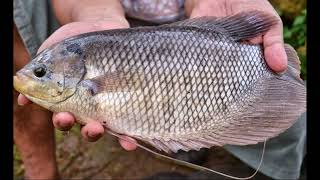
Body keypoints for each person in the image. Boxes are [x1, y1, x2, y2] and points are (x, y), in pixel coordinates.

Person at [13, 0, 306, 179]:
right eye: (41, 73)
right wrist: (93, 11)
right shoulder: (77, 53)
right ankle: (41, 173)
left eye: (41, 73)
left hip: (196, 25)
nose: (31, 77)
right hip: (106, 20)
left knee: (284, 101)